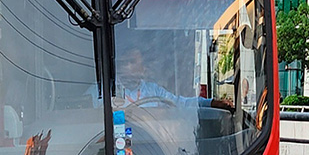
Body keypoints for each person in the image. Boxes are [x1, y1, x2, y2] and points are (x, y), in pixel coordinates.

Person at [92, 47, 232, 110]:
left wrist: (211, 103)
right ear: (119, 64)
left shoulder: (153, 91)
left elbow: (180, 104)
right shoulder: (101, 91)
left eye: (135, 62)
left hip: (155, 147)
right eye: (128, 62)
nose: (130, 67)